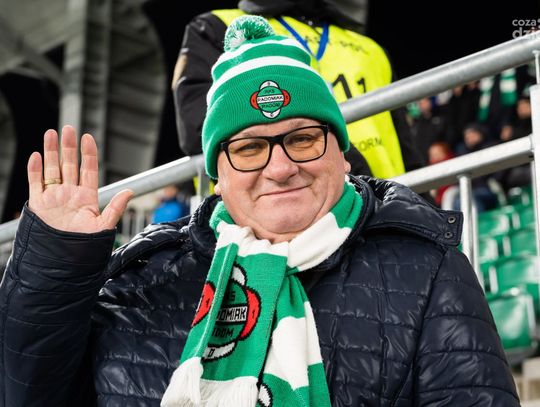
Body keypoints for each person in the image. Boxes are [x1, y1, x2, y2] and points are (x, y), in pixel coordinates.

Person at [0, 16, 519, 407]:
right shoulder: (148, 277)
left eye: (303, 138)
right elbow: (28, 392)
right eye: (249, 148)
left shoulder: (426, 266)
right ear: (217, 174)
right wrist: (55, 265)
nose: (281, 167)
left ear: (342, 153)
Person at [172, 0, 424, 179]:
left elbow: (405, 144)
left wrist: (422, 203)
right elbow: (201, 129)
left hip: (384, 209)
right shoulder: (221, 27)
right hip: (280, 209)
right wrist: (346, 163)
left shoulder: (371, 48)